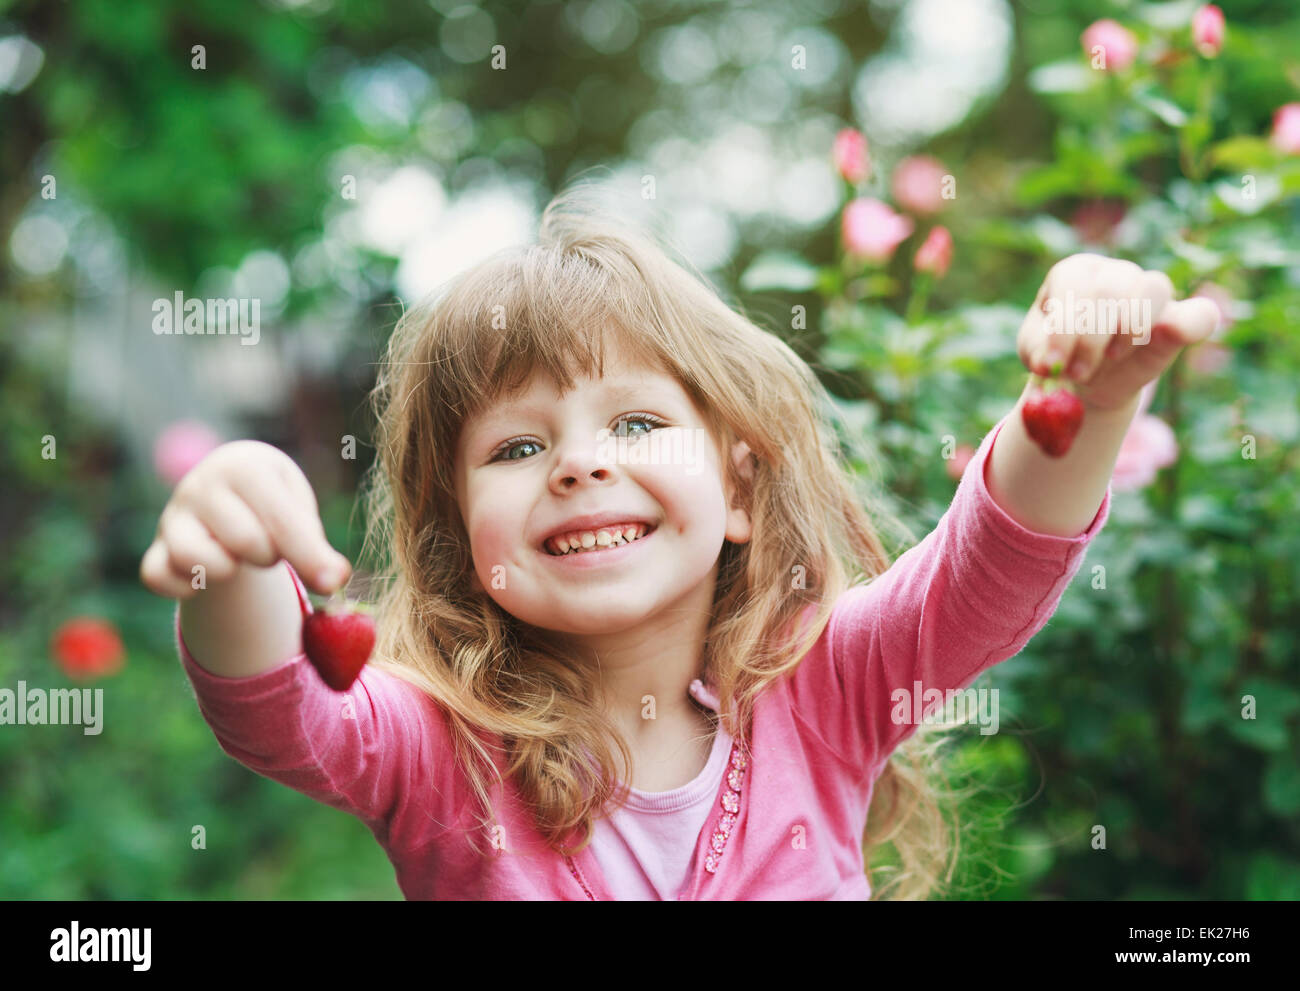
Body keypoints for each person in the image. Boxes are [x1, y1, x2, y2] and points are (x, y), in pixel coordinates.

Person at [140, 181, 1218, 900]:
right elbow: (282, 705)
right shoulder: (439, 750)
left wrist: (1084, 398)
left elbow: (987, 567)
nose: (578, 462)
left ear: (739, 486)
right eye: (517, 447)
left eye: (638, 423)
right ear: (462, 537)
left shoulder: (828, 686)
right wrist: (235, 550)